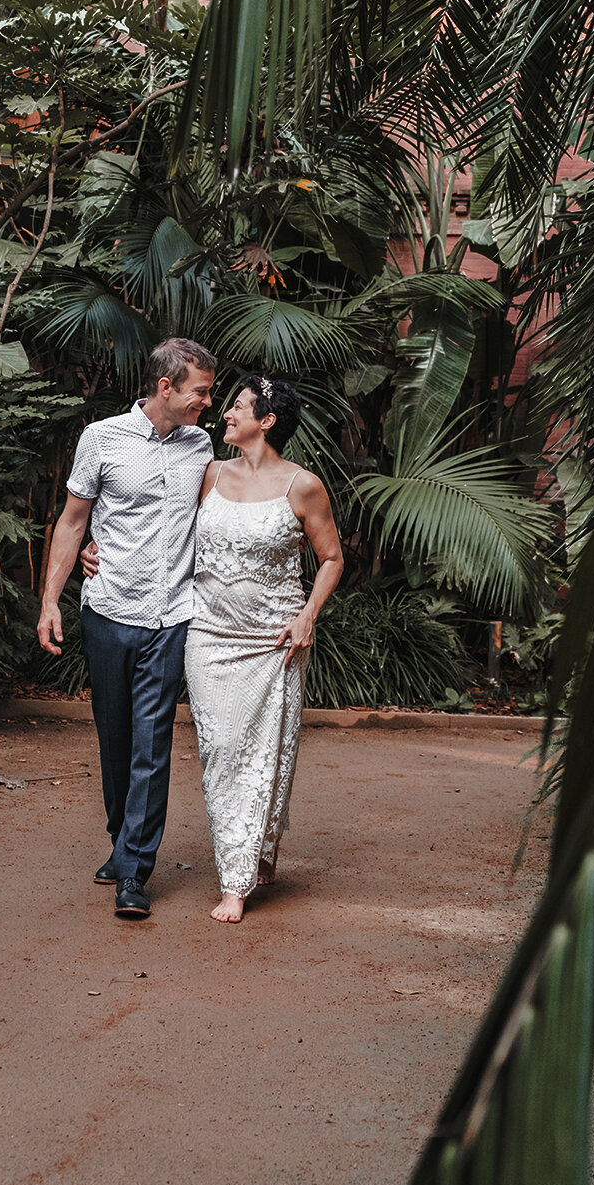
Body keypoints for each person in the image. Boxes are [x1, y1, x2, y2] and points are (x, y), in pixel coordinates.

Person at [36, 338, 216, 920]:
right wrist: (50, 601)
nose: (206, 404)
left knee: (152, 743)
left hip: (172, 617)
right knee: (114, 739)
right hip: (109, 611)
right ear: (166, 387)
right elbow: (71, 524)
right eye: (199, 391)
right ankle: (123, 840)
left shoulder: (201, 445)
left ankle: (135, 869)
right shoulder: (102, 438)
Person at [185, 376, 343, 923]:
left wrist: (306, 616)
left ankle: (246, 869)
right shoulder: (209, 474)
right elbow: (164, 535)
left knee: (268, 752)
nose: (226, 413)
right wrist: (97, 553)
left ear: (266, 420)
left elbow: (331, 560)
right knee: (221, 751)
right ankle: (240, 867)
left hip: (273, 639)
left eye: (237, 406)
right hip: (208, 634)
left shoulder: (303, 486)